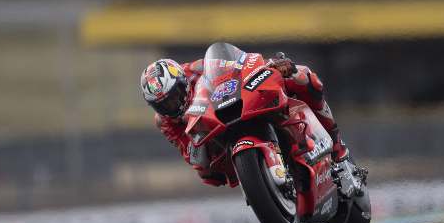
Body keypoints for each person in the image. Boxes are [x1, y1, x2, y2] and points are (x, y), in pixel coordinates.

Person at [140, 44, 367, 188]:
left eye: (174, 96)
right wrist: (196, 148)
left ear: (181, 81)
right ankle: (262, 177)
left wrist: (270, 65)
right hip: (215, 136)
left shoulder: (195, 69)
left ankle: (339, 149)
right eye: (163, 105)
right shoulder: (165, 122)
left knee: (303, 76)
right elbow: (189, 154)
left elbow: (240, 63)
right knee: (207, 174)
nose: (172, 105)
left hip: (229, 104)